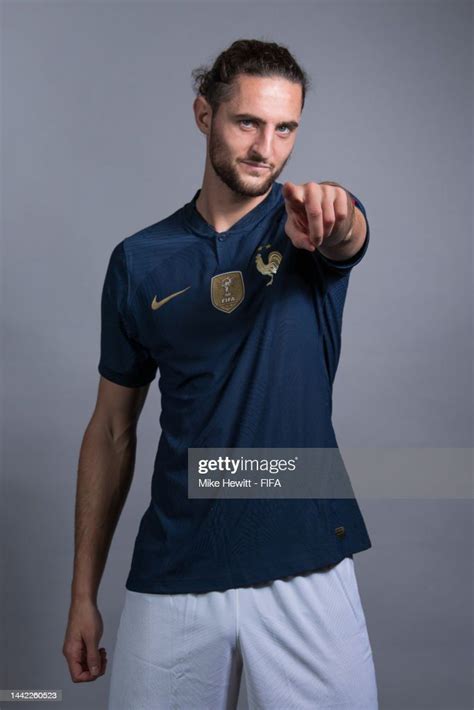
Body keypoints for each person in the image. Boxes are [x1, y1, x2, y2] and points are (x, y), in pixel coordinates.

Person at [62, 38, 379, 709]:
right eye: (248, 123)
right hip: (176, 573)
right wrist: (83, 596)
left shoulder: (305, 223)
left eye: (285, 128)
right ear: (204, 115)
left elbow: (346, 228)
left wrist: (336, 213)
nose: (267, 147)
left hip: (305, 566)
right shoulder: (140, 260)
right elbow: (112, 431)